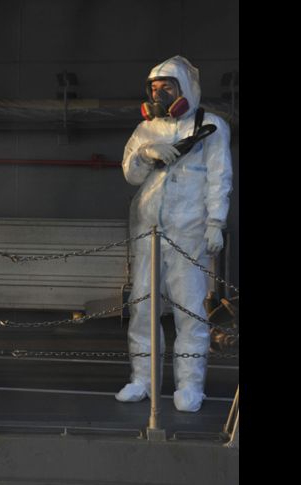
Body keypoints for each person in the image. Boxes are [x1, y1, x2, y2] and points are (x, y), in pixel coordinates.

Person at [116, 56, 232, 412]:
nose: (159, 94)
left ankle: (190, 386)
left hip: (189, 233)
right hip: (148, 230)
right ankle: (142, 379)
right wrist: (147, 153)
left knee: (189, 310)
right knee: (143, 308)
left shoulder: (210, 126)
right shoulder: (146, 129)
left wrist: (216, 222)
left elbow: (219, 177)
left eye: (167, 87)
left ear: (185, 89)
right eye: (154, 88)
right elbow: (131, 175)